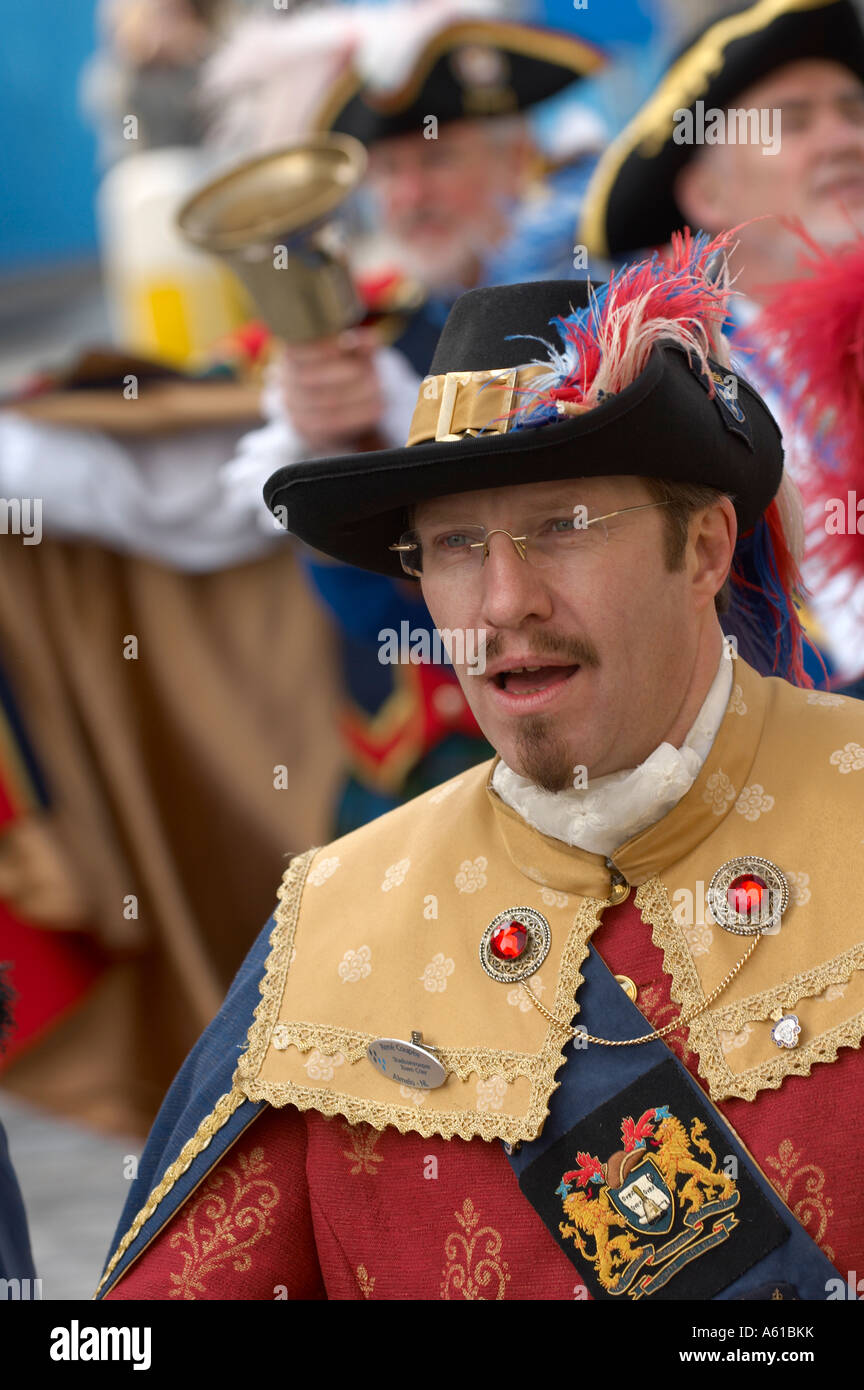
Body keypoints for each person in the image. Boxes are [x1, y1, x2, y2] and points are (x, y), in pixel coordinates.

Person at [97, 235, 864, 1301]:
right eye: (456, 546)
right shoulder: (334, 928)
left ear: (704, 549)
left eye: (564, 526)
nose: (504, 604)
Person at [214, 3, 606, 832]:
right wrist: (335, 447)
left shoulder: (601, 313)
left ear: (518, 163)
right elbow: (375, 608)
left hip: (590, 738)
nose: (408, 194)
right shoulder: (366, 332)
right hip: (414, 766)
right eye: (386, 171)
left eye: (436, 159)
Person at [579, 0, 864, 689]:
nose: (842, 139)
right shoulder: (664, 385)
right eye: (793, 121)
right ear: (707, 193)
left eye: (855, 111)